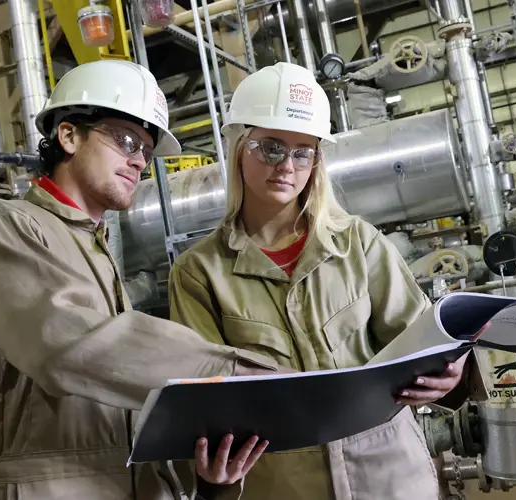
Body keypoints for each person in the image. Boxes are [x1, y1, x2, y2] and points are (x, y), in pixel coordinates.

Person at [0, 60, 279, 500]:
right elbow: (68, 346)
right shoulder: (5, 227)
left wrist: (207, 484)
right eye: (125, 141)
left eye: (146, 150)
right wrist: (230, 373)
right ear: (68, 135)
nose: (139, 160)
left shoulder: (94, 247)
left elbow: (122, 399)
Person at [168, 61, 486, 499]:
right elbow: (202, 401)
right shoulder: (199, 272)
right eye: (271, 148)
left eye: (304, 152)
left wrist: (452, 371)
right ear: (239, 146)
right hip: (283, 485)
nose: (287, 166)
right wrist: (211, 477)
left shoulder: (358, 243)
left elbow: (421, 343)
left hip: (389, 477)